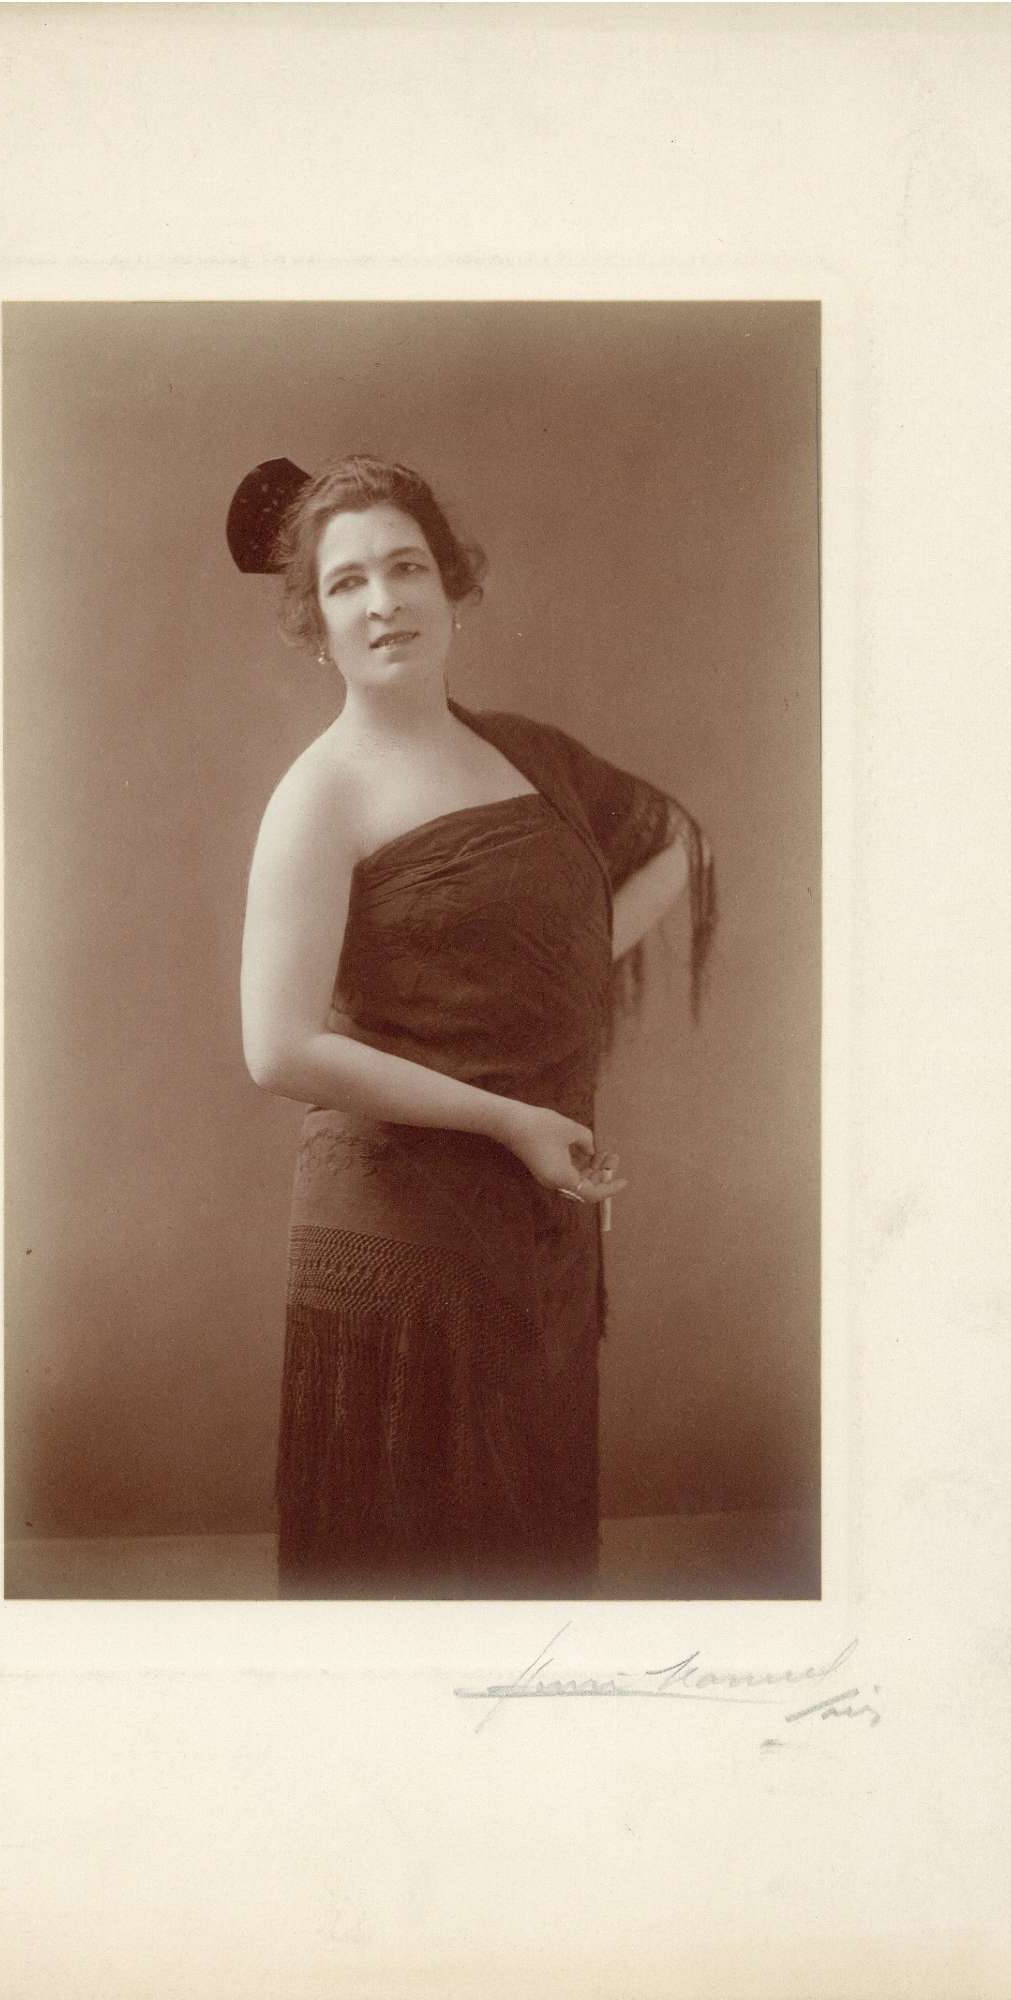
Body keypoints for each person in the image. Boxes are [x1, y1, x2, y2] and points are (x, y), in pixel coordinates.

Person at [232, 454, 715, 1599]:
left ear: (453, 586)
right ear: (316, 625)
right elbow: (277, 1047)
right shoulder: (320, 794)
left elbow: (677, 842)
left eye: (407, 568)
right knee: (402, 1590)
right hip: (398, 1254)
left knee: (526, 1584)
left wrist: (556, 982)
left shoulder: (528, 754)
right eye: (348, 582)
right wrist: (509, 1116)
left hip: (536, 1237)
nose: (384, 602)